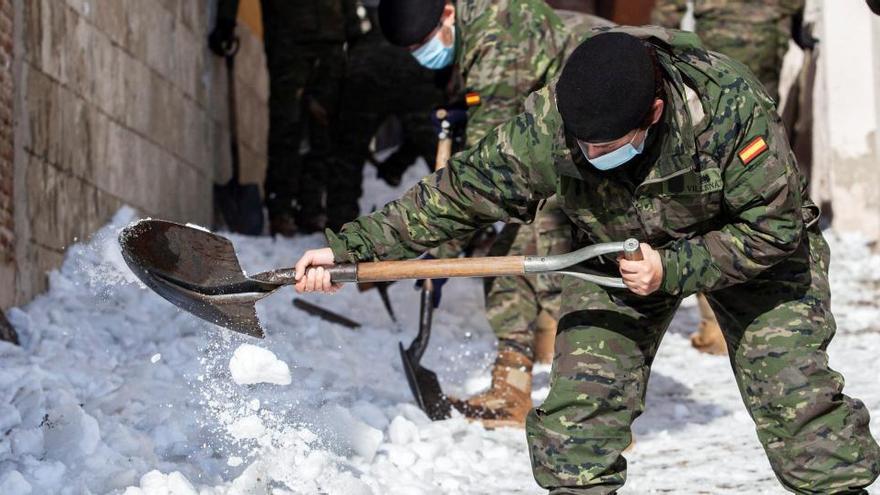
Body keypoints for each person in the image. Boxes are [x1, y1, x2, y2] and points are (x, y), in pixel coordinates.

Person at [294, 28, 880, 493]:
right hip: (616, 252)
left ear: (652, 115)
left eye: (606, 145)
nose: (590, 154)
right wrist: (351, 248)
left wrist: (673, 269)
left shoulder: (728, 110)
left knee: (799, 407)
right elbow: (457, 193)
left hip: (749, 250)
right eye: (582, 145)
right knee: (579, 422)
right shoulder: (550, 126)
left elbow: (773, 229)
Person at [376, 0, 610, 427]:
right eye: (412, 49)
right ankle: (512, 384)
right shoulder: (472, 32)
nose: (421, 55)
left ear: (447, 13)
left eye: (423, 44)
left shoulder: (496, 34)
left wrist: (441, 244)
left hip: (602, 127)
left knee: (559, 253)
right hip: (553, 125)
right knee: (508, 248)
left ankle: (593, 406)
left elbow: (489, 174)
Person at [652, 0, 805, 355]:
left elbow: (668, 7)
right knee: (758, 144)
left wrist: (660, 41)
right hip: (768, 33)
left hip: (719, 46)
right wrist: (793, 21)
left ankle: (717, 323)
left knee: (716, 158)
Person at [209, 0, 361, 236]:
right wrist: (226, 21)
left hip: (331, 42)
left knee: (323, 128)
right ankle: (281, 208)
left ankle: (311, 207)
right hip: (288, 41)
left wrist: (354, 30)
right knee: (287, 127)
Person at [324, 1, 446, 231]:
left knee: (347, 154)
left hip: (368, 64)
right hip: (412, 59)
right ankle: (468, 228)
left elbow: (345, 24)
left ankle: (339, 228)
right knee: (434, 139)